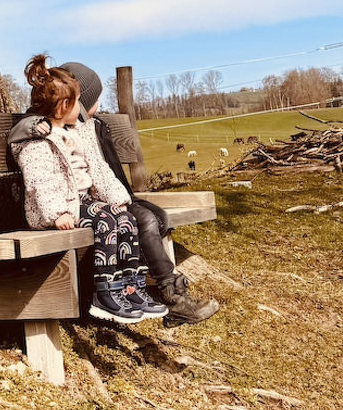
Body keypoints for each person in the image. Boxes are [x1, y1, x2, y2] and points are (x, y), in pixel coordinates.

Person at [37, 59, 219, 327]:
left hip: (109, 200)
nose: (99, 104)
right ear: (79, 103)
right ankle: (171, 296)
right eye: (95, 98)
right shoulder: (75, 130)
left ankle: (168, 292)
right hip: (88, 205)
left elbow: (108, 175)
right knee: (143, 219)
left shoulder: (93, 127)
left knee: (147, 216)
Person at [9, 55, 166, 324]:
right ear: (61, 106)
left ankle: (131, 287)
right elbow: (40, 181)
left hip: (83, 202)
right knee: (106, 221)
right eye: (77, 101)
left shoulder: (78, 131)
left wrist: (119, 199)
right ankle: (104, 292)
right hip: (61, 209)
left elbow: (99, 170)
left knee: (125, 218)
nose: (81, 106)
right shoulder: (37, 141)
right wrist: (57, 213)